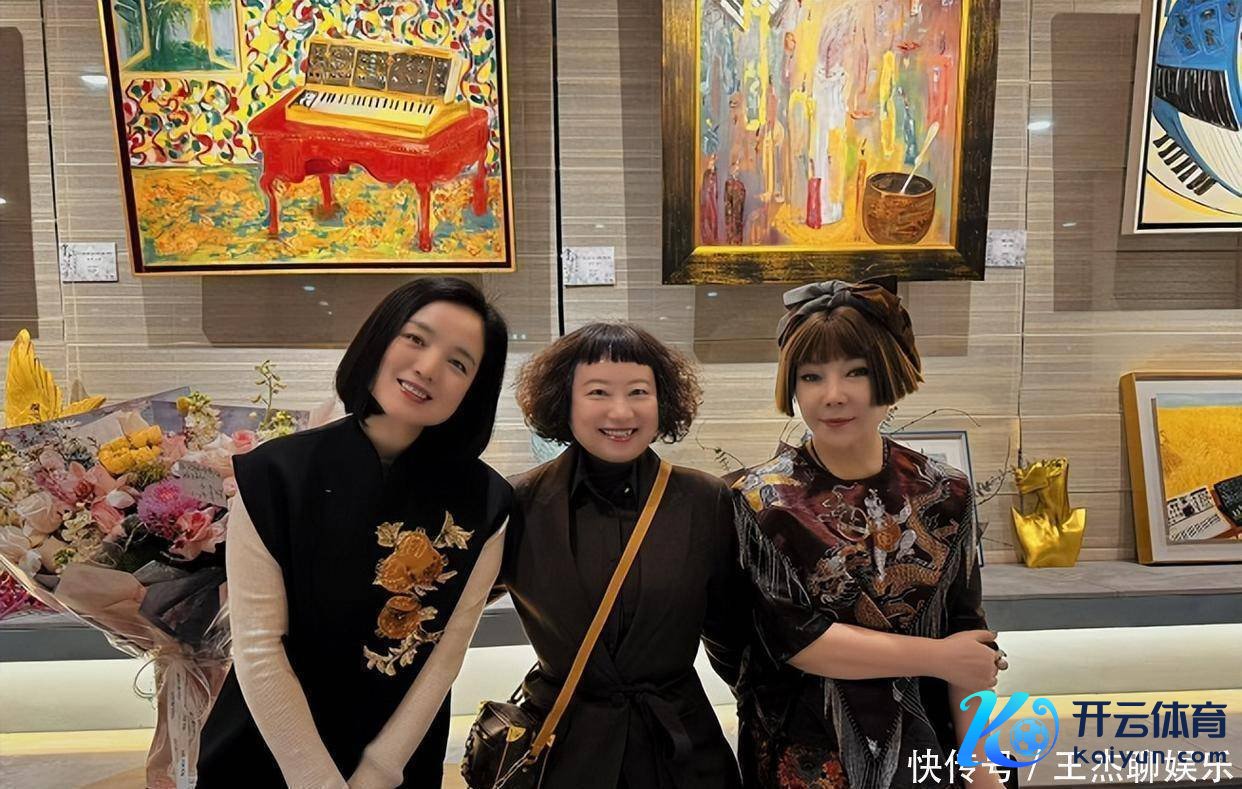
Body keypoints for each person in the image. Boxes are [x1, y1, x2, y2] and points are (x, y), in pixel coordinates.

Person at [197, 278, 512, 789]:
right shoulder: (274, 475)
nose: (428, 367)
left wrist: (379, 772)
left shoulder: (488, 502)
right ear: (380, 339)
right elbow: (257, 647)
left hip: (398, 756)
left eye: (459, 363)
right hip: (265, 749)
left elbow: (445, 656)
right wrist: (316, 780)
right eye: (415, 338)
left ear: (475, 389)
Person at [732, 279, 1008, 789]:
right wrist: (939, 657)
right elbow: (796, 640)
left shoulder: (946, 490)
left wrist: (981, 768)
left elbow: (969, 639)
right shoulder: (760, 501)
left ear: (890, 374)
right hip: (803, 755)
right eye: (811, 377)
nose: (833, 396)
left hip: (926, 753)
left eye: (856, 372)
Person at [500, 322, 748, 788]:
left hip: (679, 750)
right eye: (598, 392)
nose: (620, 411)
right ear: (564, 400)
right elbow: (450, 607)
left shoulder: (705, 500)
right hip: (562, 748)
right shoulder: (519, 503)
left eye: (638, 392)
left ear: (662, 401)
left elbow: (730, 635)